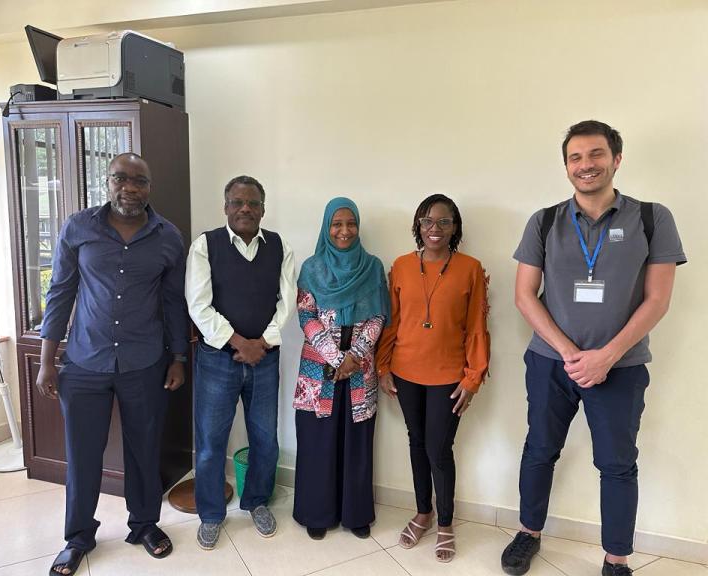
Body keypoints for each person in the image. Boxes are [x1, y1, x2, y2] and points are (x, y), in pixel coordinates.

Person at [501, 120, 687, 576]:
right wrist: (569, 352)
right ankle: (529, 532)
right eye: (576, 157)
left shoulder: (652, 217)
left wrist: (606, 356)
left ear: (616, 159)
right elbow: (525, 295)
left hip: (620, 367)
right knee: (539, 450)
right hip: (550, 363)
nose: (587, 165)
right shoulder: (544, 221)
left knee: (617, 464)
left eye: (596, 154)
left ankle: (616, 558)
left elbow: (658, 299)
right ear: (566, 166)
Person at [36, 152, 188, 575]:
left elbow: (174, 303)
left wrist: (178, 358)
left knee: (144, 451)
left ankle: (145, 525)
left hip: (145, 362)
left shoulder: (168, 237)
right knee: (82, 455)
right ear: (108, 182)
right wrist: (48, 361)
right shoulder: (79, 227)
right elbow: (60, 294)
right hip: (84, 361)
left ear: (149, 187)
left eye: (139, 180)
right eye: (121, 178)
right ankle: (78, 537)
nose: (130, 188)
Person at [376, 194, 490, 563]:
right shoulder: (402, 265)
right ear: (417, 226)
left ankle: (444, 523)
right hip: (406, 372)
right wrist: (383, 366)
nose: (434, 228)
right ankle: (422, 511)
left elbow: (476, 327)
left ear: (455, 227)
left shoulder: (471, 268)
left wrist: (474, 378)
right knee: (416, 442)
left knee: (439, 450)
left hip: (448, 377)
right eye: (427, 221)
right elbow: (392, 321)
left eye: (443, 222)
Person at [185, 175, 296, 550]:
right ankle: (212, 514)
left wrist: (260, 343)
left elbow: (287, 301)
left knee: (265, 438)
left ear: (263, 209)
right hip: (218, 359)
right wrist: (238, 343)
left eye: (253, 203)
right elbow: (199, 305)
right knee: (211, 442)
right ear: (225, 206)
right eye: (237, 202)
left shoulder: (280, 246)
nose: (245, 209)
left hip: (265, 359)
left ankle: (257, 501)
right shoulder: (206, 245)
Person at [292, 197, 390, 540]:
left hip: (359, 370)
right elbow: (306, 315)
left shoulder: (373, 267)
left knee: (357, 441)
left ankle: (355, 513)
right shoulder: (312, 267)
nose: (344, 231)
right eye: (337, 224)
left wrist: (355, 356)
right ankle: (317, 512)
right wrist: (336, 357)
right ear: (326, 227)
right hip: (319, 370)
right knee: (319, 440)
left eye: (350, 224)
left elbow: (379, 314)